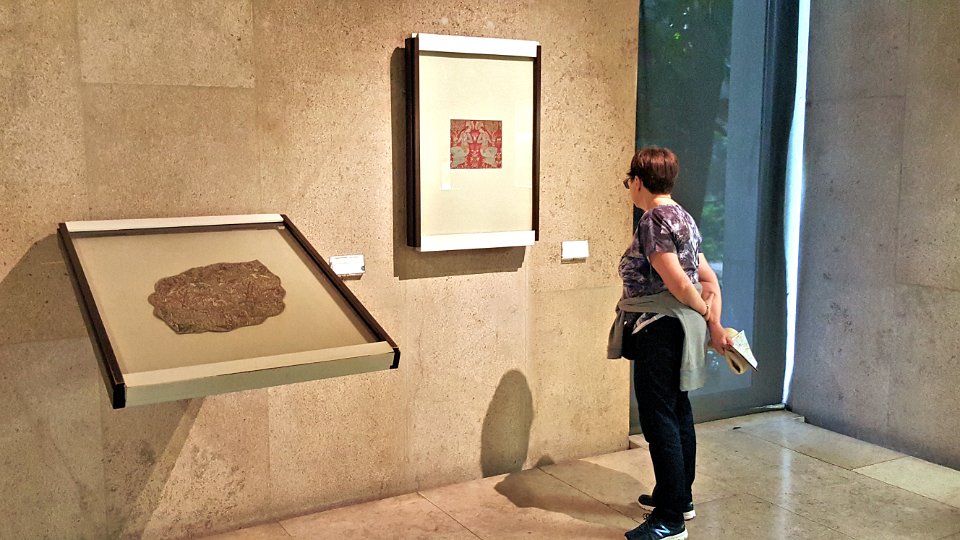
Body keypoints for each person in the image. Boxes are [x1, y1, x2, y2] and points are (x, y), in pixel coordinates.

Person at [607, 147, 733, 540]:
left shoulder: (654, 219)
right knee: (678, 412)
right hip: (678, 329)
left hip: (659, 330)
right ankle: (678, 497)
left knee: (659, 419)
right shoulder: (684, 218)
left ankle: (669, 520)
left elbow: (679, 283)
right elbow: (708, 279)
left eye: (629, 182)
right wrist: (712, 321)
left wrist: (704, 312)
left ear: (638, 182)